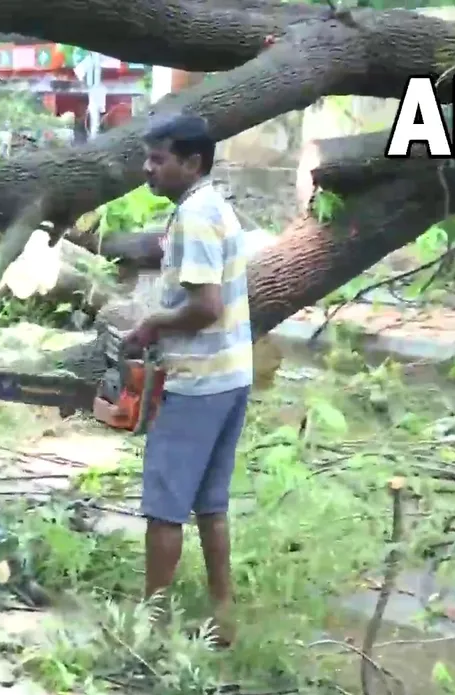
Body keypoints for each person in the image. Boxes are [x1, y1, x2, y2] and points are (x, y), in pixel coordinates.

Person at [120, 113, 251, 646]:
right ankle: (223, 616)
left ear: (191, 162)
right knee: (211, 504)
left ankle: (151, 626)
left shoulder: (197, 216)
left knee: (164, 507)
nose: (148, 169)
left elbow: (205, 307)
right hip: (231, 374)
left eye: (158, 159)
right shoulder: (213, 206)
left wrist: (152, 324)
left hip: (198, 380)